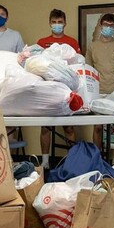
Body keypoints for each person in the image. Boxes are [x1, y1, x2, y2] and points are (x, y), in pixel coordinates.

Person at [36, 9, 80, 169]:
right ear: (49, 23)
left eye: (59, 22)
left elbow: (77, 66)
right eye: (54, 22)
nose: (57, 25)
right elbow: (36, 65)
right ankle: (45, 162)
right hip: (47, 89)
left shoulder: (72, 42)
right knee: (46, 126)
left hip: (67, 90)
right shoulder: (42, 42)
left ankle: (72, 161)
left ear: (65, 23)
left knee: (69, 127)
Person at [85, 13, 114, 149]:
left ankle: (113, 159)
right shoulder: (92, 46)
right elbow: (88, 70)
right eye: (105, 25)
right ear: (100, 25)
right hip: (98, 93)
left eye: (111, 26)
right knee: (97, 127)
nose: (108, 27)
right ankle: (98, 157)